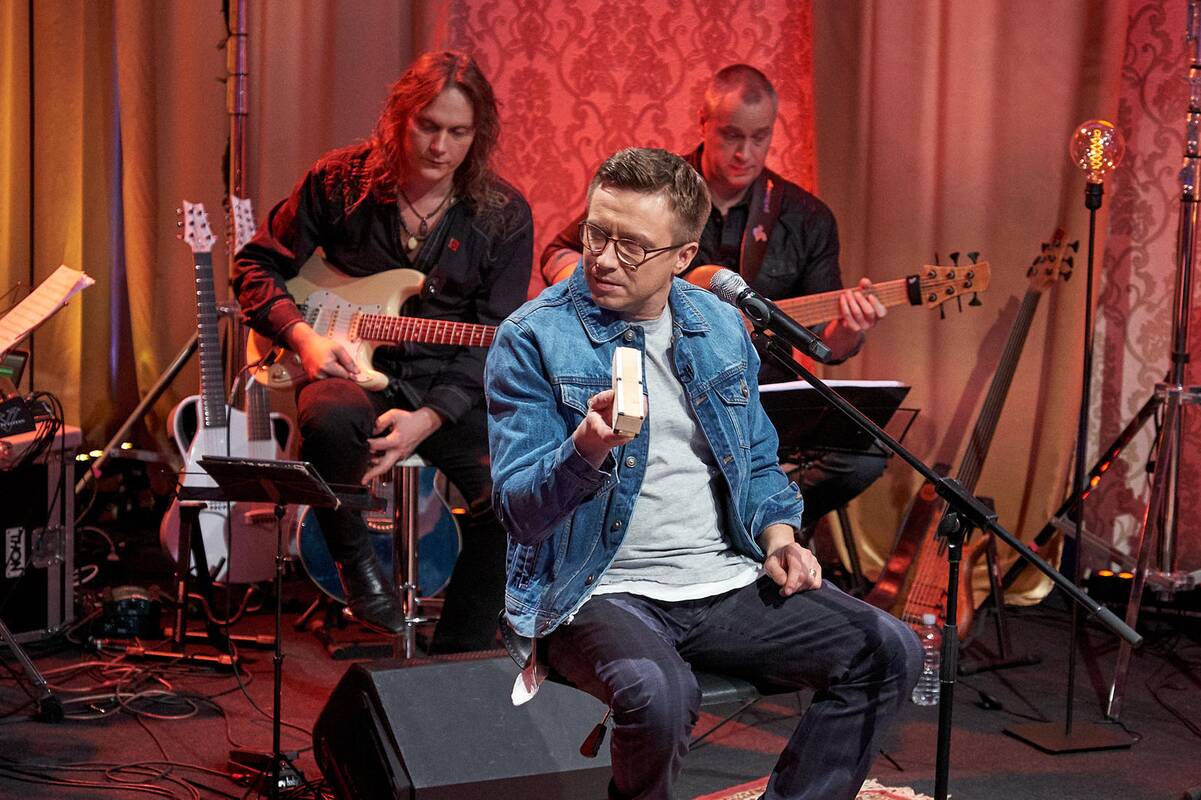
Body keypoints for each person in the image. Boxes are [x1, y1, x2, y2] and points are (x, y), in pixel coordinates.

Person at [486, 147, 920, 800]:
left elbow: (756, 461)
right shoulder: (534, 337)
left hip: (722, 581)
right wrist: (584, 450)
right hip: (595, 589)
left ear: (683, 256)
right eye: (596, 234)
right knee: (659, 695)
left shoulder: (717, 324)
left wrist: (779, 536)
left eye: (633, 246)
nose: (603, 259)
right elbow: (518, 511)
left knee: (888, 650)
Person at [234, 51, 533, 652]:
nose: (441, 147)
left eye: (458, 132)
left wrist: (430, 418)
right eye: (428, 126)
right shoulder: (338, 181)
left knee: (514, 495)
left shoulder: (504, 215)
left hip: (449, 385)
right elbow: (255, 266)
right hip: (347, 365)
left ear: (478, 134)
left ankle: (460, 655)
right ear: (399, 117)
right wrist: (304, 338)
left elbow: (493, 334)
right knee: (328, 417)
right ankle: (358, 573)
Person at [539, 64, 887, 531]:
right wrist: (599, 290)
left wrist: (848, 329)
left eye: (760, 137)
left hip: (761, 397)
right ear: (704, 123)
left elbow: (826, 345)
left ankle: (756, 521)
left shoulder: (807, 218)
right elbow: (557, 252)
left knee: (863, 457)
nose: (745, 153)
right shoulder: (656, 193)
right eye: (731, 136)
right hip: (660, 386)